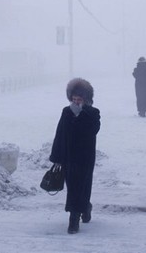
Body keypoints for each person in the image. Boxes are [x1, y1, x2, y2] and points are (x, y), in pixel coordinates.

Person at [49, 78, 100, 234]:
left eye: (80, 99)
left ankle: (79, 214)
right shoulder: (66, 111)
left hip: (85, 157)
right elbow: (60, 133)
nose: (76, 102)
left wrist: (81, 115)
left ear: (86, 99)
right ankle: (79, 213)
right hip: (69, 157)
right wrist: (57, 156)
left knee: (82, 185)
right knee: (73, 187)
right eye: (74, 99)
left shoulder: (93, 113)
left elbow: (93, 131)